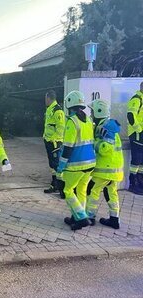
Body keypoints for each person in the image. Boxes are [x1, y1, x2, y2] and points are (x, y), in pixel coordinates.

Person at [57, 90, 96, 231]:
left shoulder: (72, 121)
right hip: (90, 163)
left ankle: (81, 217)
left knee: (67, 190)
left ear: (69, 105)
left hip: (76, 165)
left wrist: (60, 167)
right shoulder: (88, 120)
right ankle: (76, 217)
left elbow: (67, 147)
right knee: (82, 191)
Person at [86, 99, 123, 229]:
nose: (91, 114)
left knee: (92, 190)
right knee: (111, 193)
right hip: (114, 170)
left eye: (92, 112)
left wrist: (93, 143)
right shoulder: (107, 126)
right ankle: (114, 219)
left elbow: (104, 149)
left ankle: (90, 217)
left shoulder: (106, 128)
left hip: (106, 170)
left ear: (98, 112)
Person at [43, 90, 65, 197]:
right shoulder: (50, 109)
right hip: (49, 141)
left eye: (45, 98)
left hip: (55, 142)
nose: (45, 101)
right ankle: (54, 184)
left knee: (56, 165)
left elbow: (61, 128)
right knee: (52, 164)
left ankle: (61, 187)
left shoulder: (57, 110)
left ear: (49, 98)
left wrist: (53, 139)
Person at [126, 82, 143, 195]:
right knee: (136, 160)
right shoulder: (136, 99)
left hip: (140, 134)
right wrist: (139, 129)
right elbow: (130, 115)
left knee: (141, 161)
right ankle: (133, 183)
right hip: (137, 134)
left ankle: (140, 182)